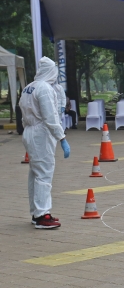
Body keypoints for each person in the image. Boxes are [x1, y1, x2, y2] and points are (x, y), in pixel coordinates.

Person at [19, 56, 70, 229]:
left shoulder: (29, 87)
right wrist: (61, 137)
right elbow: (50, 117)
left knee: (35, 173)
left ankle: (36, 212)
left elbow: (23, 111)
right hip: (41, 133)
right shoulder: (45, 88)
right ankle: (42, 215)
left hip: (30, 131)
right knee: (44, 174)